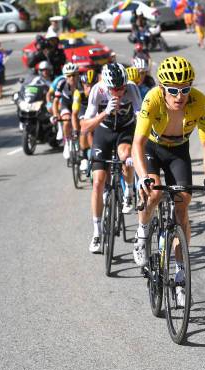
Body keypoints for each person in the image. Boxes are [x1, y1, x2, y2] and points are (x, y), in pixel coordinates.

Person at [131, 57, 205, 301]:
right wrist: (141, 178)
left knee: (182, 206)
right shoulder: (152, 98)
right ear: (162, 88)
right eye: (173, 90)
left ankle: (180, 275)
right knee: (154, 193)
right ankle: (142, 232)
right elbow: (137, 144)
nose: (179, 95)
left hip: (178, 151)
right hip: (152, 147)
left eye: (185, 89)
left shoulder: (199, 102)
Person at [82, 63, 141, 253]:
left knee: (126, 156)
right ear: (106, 87)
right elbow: (84, 127)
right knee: (98, 182)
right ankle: (97, 233)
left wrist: (140, 148)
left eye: (122, 87)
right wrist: (105, 113)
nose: (120, 92)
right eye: (115, 89)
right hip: (104, 132)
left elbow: (141, 116)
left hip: (125, 130)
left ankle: (129, 192)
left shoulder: (131, 88)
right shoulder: (97, 91)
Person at [52, 63, 83, 160]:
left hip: (79, 105)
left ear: (78, 75)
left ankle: (80, 142)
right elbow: (56, 101)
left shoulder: (82, 83)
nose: (72, 78)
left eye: (74, 75)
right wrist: (56, 114)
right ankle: (67, 142)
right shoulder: (61, 83)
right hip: (66, 105)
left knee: (80, 123)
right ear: (65, 77)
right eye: (69, 76)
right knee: (66, 121)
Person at [72, 69, 97, 174]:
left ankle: (95, 153)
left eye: (92, 85)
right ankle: (83, 157)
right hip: (83, 107)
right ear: (82, 85)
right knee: (85, 127)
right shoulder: (78, 93)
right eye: (87, 85)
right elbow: (74, 113)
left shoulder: (100, 90)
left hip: (95, 108)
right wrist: (74, 130)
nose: (90, 88)